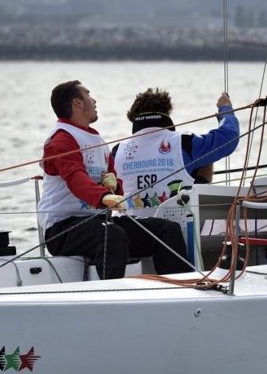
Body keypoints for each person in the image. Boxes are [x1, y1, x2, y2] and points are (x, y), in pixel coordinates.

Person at [39, 80, 194, 279]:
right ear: (78, 102)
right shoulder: (61, 139)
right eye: (88, 95)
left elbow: (116, 191)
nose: (94, 100)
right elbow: (75, 178)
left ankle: (180, 289)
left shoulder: (96, 139)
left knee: (166, 230)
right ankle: (110, 293)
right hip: (62, 228)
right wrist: (104, 197)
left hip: (98, 222)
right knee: (112, 235)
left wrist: (115, 188)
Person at [111, 89, 239, 213]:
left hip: (128, 225)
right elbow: (229, 137)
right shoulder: (184, 142)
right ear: (166, 111)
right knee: (205, 158)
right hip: (175, 225)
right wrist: (225, 108)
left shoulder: (117, 150)